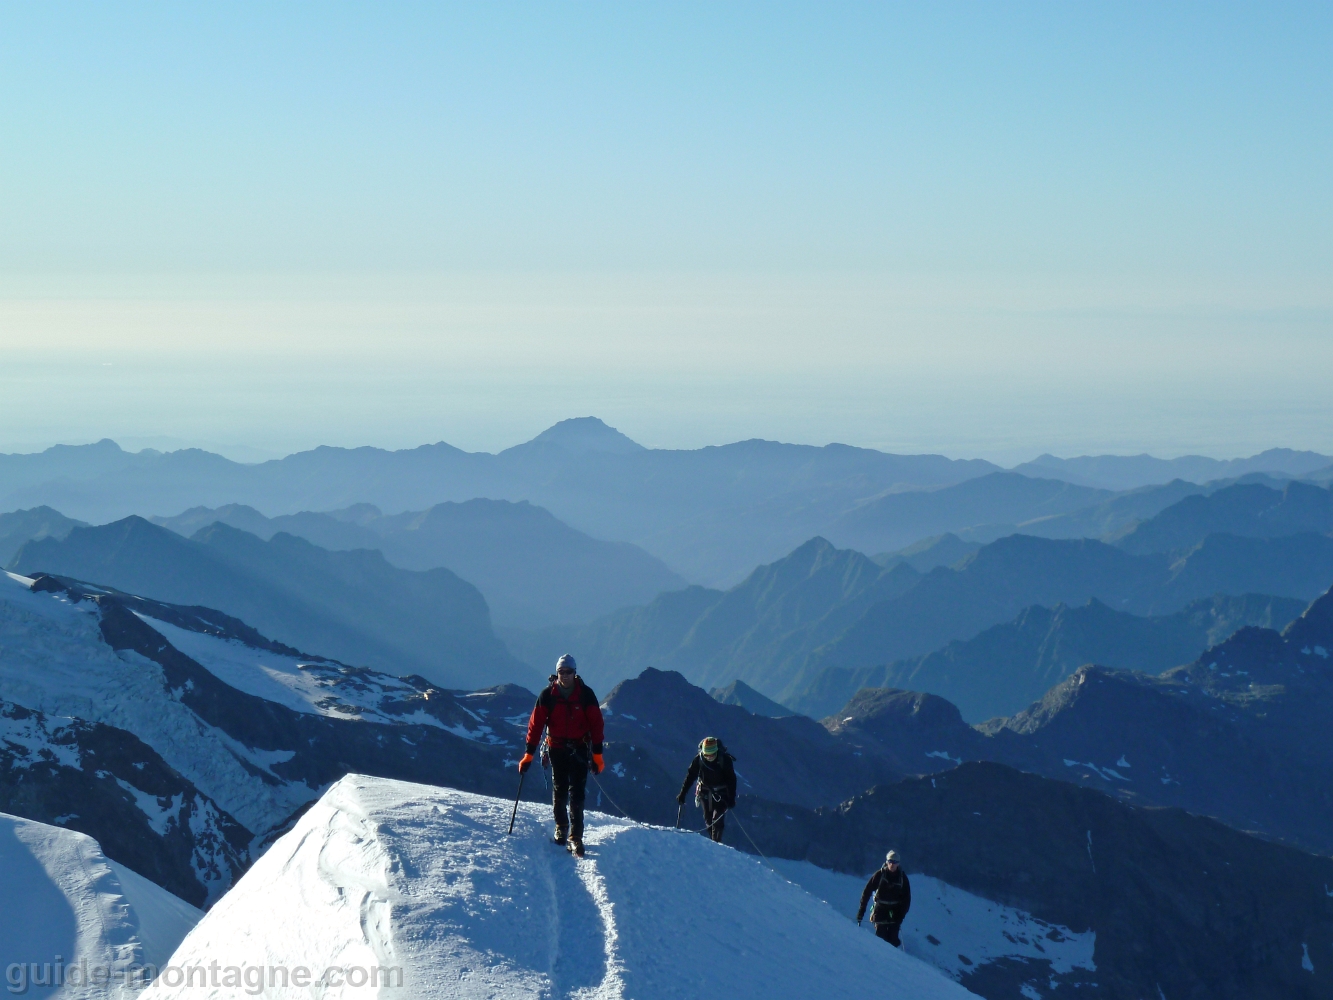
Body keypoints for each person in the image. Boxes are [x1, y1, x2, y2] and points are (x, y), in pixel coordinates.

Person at [517, 654, 604, 856]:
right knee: (560, 789)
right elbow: (535, 725)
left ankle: (575, 836)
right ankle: (562, 827)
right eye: (561, 672)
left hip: (579, 749)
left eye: (568, 672)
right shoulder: (547, 695)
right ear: (556, 673)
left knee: (577, 793)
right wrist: (528, 755)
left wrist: (597, 755)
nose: (564, 675)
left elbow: (597, 725)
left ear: (575, 673)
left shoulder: (586, 695)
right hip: (557, 749)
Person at [676, 736, 736, 843]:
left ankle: (716, 843)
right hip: (704, 792)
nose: (708, 757)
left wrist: (731, 798)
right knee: (709, 821)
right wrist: (682, 794)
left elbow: (731, 780)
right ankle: (715, 842)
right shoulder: (699, 759)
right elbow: (690, 777)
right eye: (706, 754)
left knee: (717, 818)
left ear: (716, 751)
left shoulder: (724, 760)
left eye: (711, 754)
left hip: (721, 793)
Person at [856, 850, 912, 947]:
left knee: (892, 939)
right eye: (890, 861)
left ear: (898, 863)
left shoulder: (902, 878)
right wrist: (861, 913)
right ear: (886, 862)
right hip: (880, 909)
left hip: (895, 912)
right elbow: (867, 892)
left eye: (895, 862)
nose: (892, 864)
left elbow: (906, 900)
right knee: (880, 938)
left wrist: (900, 916)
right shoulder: (879, 875)